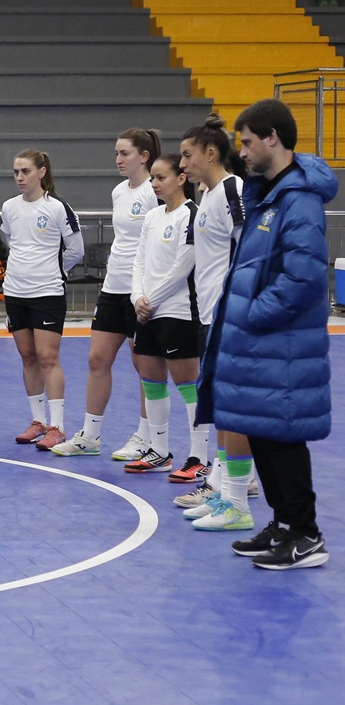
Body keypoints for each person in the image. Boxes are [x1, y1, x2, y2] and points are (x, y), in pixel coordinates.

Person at [202, 99, 335, 568]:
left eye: (247, 142)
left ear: (273, 138)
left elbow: (303, 277)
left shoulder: (298, 200)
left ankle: (306, 534)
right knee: (262, 430)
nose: (241, 152)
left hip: (282, 343)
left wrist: (252, 314)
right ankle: (283, 524)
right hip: (264, 343)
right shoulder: (269, 195)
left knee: (283, 436)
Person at [51, 129, 159, 459]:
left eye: (125, 153)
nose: (118, 159)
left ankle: (146, 437)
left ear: (144, 156)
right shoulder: (118, 192)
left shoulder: (154, 192)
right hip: (113, 287)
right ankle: (90, 435)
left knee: (145, 366)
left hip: (142, 291)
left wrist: (148, 290)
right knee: (97, 359)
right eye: (116, 153)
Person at [177, 115, 261, 522]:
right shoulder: (207, 197)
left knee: (232, 405)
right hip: (208, 313)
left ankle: (234, 494)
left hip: (230, 314)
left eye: (187, 155)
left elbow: (251, 248)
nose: (182, 164)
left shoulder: (232, 190)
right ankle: (226, 487)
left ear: (211, 153)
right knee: (221, 405)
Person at [0, 150, 83, 450]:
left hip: (47, 293)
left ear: (41, 172)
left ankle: (57, 426)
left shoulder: (57, 207)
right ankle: (38, 421)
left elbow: (76, 250)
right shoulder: (9, 207)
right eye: (16, 172)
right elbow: (12, 242)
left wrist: (53, 272)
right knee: (28, 356)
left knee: (48, 357)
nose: (20, 177)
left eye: (25, 171)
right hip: (15, 293)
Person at [125, 154, 203, 476]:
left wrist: (150, 301)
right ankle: (159, 452)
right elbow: (139, 261)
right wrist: (136, 298)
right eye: (152, 179)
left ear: (181, 179)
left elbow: (182, 267)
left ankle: (199, 459)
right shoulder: (152, 216)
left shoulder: (192, 215)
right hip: (147, 312)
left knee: (188, 385)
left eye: (161, 178)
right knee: (152, 381)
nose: (155, 184)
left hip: (177, 312)